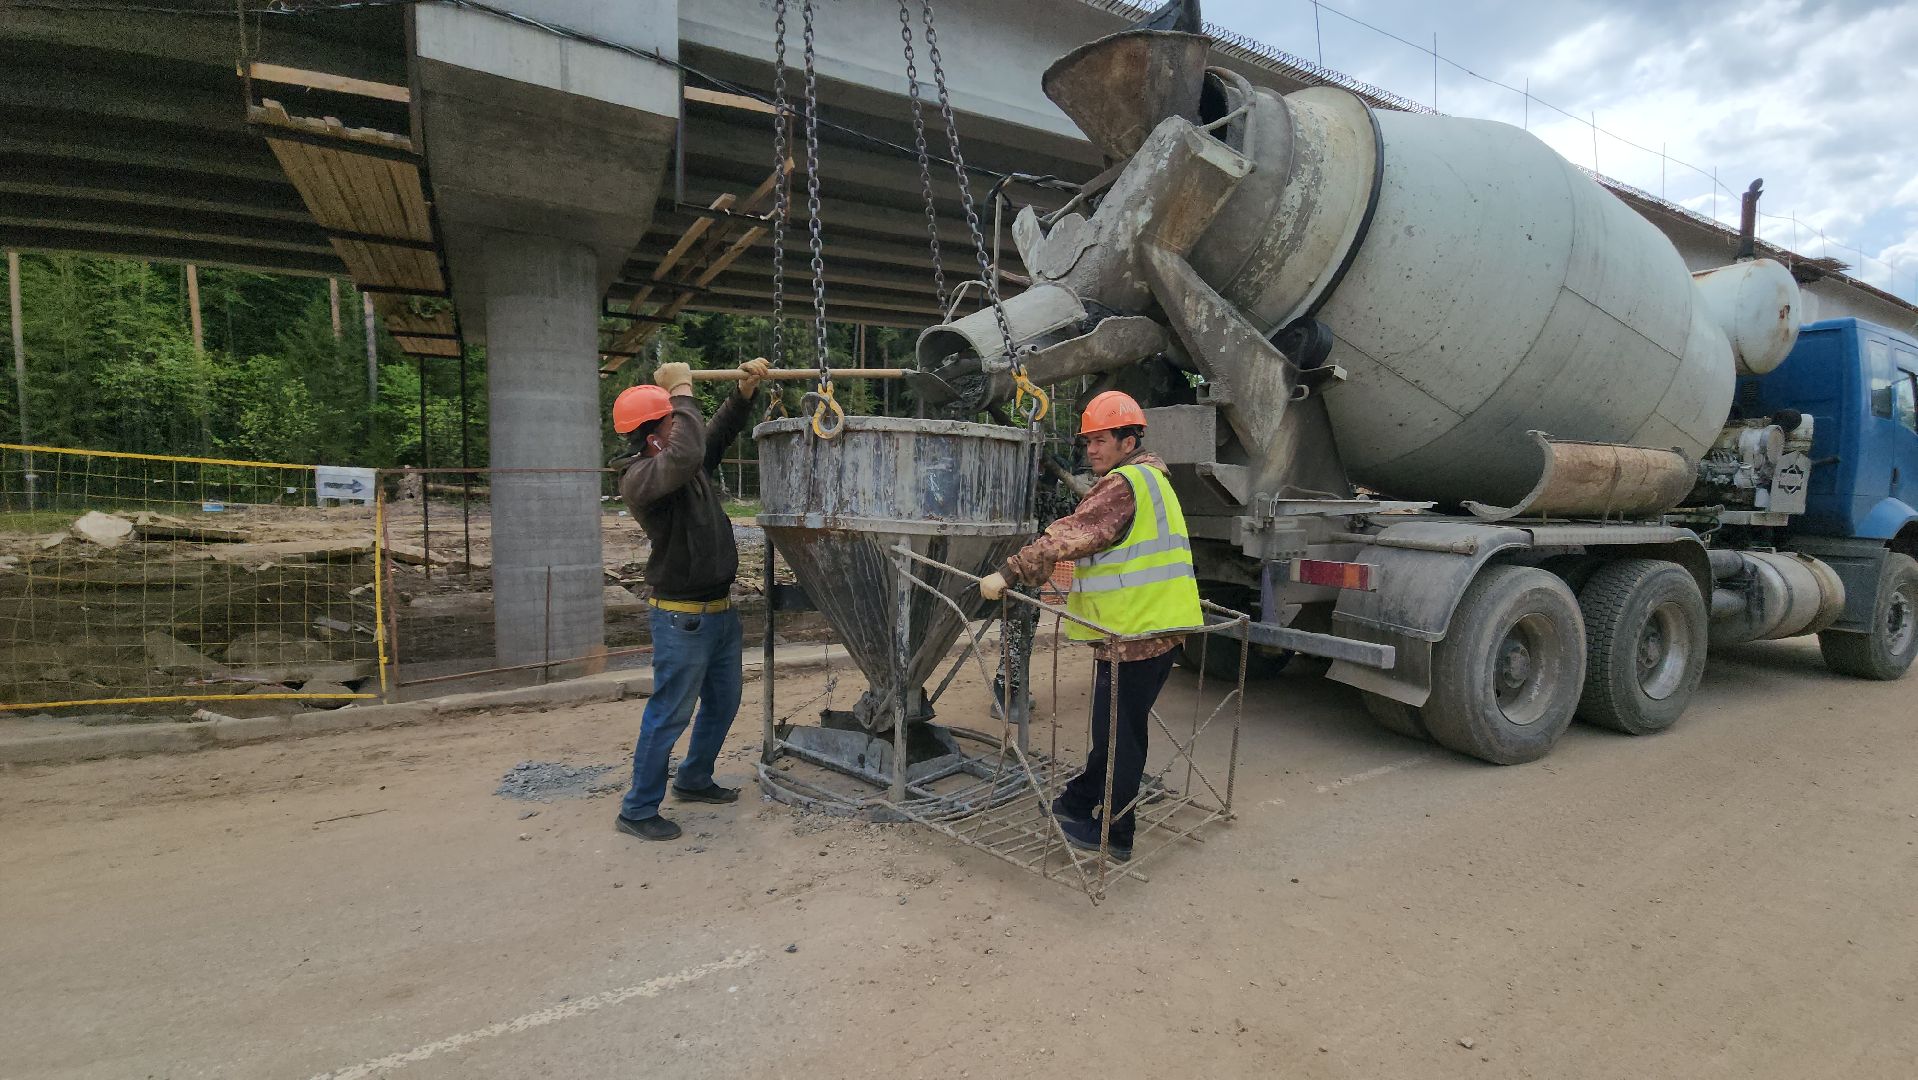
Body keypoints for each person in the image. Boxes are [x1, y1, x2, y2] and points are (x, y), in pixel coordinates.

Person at [978, 390, 1202, 861]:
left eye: (1101, 440)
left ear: (1129, 439)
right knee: (1116, 731)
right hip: (1154, 629)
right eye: (1088, 443)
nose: (1092, 450)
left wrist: (1010, 572)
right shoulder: (1155, 480)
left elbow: (1070, 536)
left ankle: (1116, 835)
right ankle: (1079, 800)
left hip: (1136, 635)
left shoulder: (1124, 484)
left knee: (1120, 737)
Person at [610, 356, 770, 842]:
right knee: (669, 713)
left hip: (719, 613)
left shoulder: (684, 468)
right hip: (682, 620)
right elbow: (685, 452)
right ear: (652, 432)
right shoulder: (643, 478)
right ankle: (637, 809)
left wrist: (741, 396)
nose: (681, 427)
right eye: (672, 419)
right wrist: (682, 389)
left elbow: (711, 437)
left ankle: (694, 779)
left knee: (722, 703)